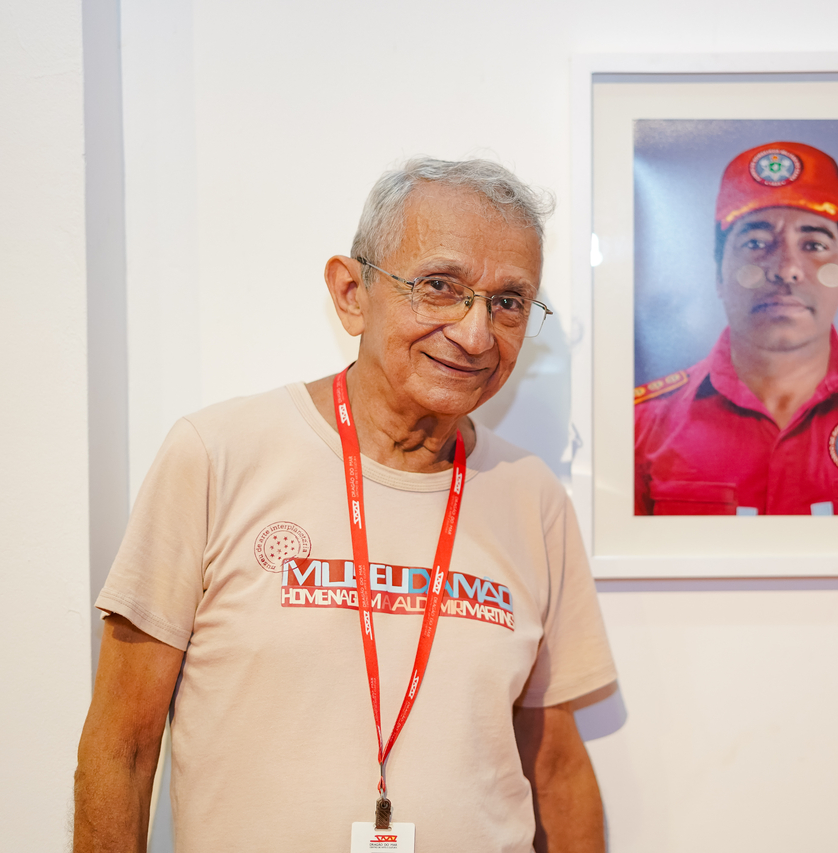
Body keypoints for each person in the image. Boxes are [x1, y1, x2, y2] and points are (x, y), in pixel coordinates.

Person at [74, 159, 617, 852]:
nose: (476, 334)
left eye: (509, 301)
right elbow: (120, 744)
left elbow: (557, 765)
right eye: (440, 287)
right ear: (352, 292)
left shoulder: (532, 495)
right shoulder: (217, 456)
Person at [634, 141, 838, 516]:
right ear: (719, 278)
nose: (786, 268)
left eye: (814, 244)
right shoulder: (640, 429)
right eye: (756, 242)